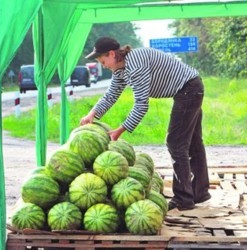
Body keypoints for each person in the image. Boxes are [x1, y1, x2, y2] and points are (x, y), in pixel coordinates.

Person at [80, 37, 211, 211]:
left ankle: (183, 198)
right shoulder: (120, 68)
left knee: (176, 143)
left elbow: (142, 104)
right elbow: (111, 94)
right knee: (193, 142)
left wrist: (120, 130)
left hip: (188, 90)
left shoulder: (135, 65)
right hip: (190, 88)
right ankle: (199, 192)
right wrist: (93, 114)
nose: (103, 65)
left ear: (112, 54)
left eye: (103, 61)